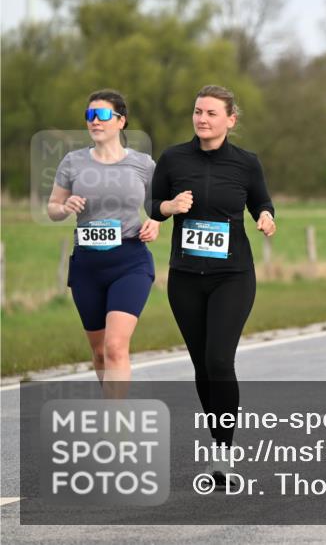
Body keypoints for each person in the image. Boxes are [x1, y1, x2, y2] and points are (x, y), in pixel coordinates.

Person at [151, 85, 276, 486]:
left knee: (220, 360)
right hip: (185, 278)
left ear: (230, 120)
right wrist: (170, 207)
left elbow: (261, 200)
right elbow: (153, 206)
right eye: (198, 111)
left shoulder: (246, 163)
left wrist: (266, 217)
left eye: (211, 113)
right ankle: (217, 442)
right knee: (202, 366)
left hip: (232, 276)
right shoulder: (173, 159)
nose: (202, 119)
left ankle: (224, 453)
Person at [47, 90, 159, 397]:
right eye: (90, 116)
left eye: (103, 115)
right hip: (88, 266)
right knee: (99, 354)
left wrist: (157, 223)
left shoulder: (143, 164)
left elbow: (158, 207)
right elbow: (53, 208)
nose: (94, 121)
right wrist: (65, 206)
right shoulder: (73, 162)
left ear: (121, 121)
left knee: (115, 347)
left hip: (130, 261)